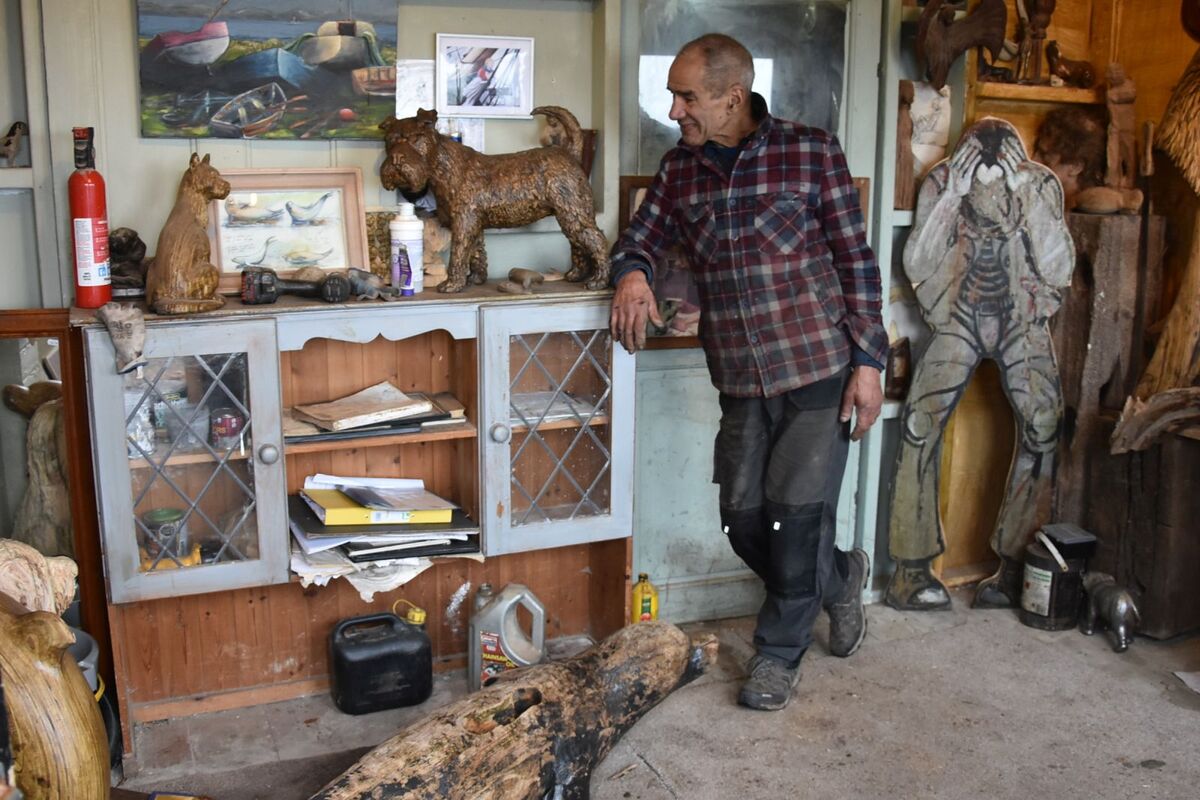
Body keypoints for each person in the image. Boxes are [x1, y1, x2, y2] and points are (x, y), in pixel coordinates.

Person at [609, 34, 888, 711]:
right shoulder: (682, 170)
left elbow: (857, 263)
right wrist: (633, 277)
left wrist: (870, 362)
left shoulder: (812, 153)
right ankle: (841, 577)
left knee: (795, 519)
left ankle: (778, 654)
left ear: (732, 97)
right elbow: (638, 238)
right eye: (674, 95)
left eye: (686, 96)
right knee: (741, 517)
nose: (675, 109)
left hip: (816, 365)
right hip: (738, 374)